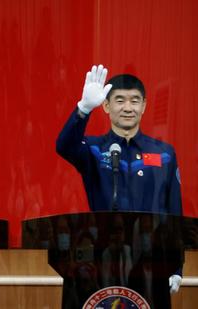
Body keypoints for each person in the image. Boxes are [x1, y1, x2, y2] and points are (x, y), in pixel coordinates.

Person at [56, 64, 183, 307]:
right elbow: (64, 146)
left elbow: (173, 211)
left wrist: (176, 265)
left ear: (144, 106)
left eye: (135, 101)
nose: (128, 107)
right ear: (106, 105)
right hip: (101, 261)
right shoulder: (93, 149)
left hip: (150, 263)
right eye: (120, 100)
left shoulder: (164, 153)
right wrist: (83, 109)